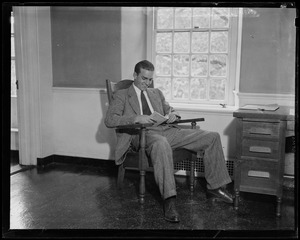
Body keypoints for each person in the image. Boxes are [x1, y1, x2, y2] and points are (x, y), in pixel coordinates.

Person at [105, 60, 233, 223]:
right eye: (144, 78)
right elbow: (110, 120)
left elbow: (169, 109)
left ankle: (215, 188)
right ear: (135, 75)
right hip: (143, 135)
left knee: (212, 136)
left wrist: (174, 115)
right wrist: (137, 118)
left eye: (150, 79)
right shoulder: (122, 94)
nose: (147, 83)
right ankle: (169, 200)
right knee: (161, 143)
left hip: (166, 131)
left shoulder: (156, 93)